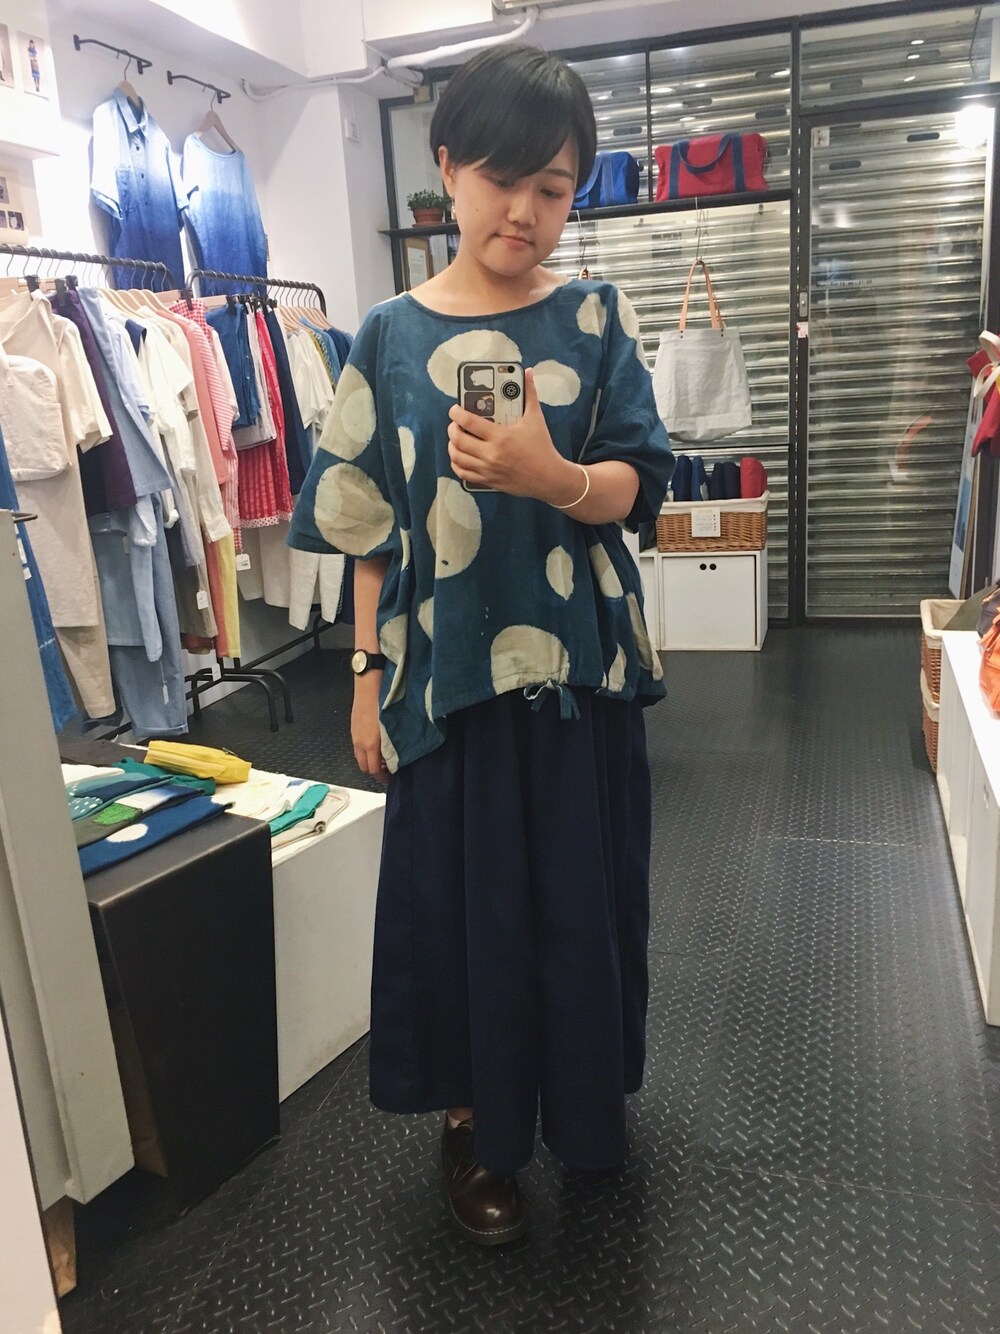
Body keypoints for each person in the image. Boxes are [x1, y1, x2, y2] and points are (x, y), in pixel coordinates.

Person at [288, 42, 673, 1246]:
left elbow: (641, 482)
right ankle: (475, 1123)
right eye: (503, 178)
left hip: (577, 670)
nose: (525, 211)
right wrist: (364, 678)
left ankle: (586, 1107)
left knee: (581, 897)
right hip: (444, 677)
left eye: (554, 188)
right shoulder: (386, 337)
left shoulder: (594, 316)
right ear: (446, 169)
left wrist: (553, 476)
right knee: (464, 911)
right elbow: (363, 527)